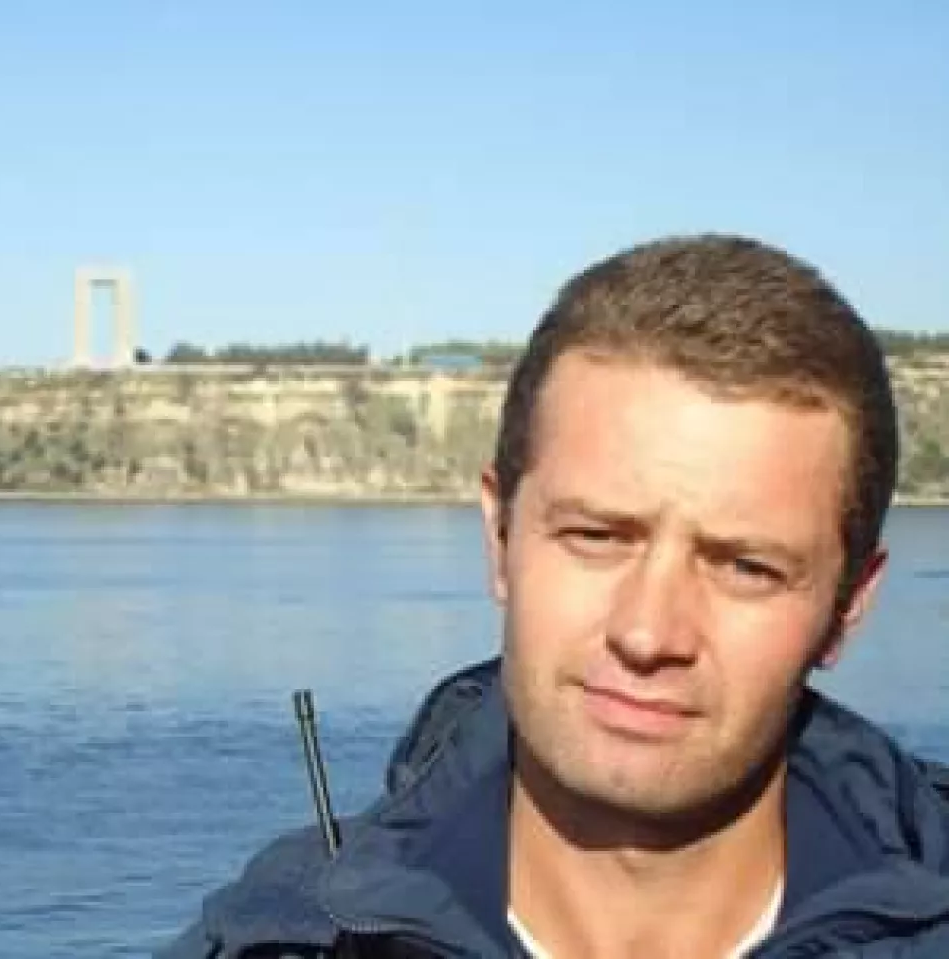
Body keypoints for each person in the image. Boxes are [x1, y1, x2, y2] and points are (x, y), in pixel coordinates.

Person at [156, 235, 949, 958]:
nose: (649, 632)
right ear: (499, 535)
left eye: (746, 566)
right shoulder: (287, 937)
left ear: (848, 605)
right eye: (596, 536)